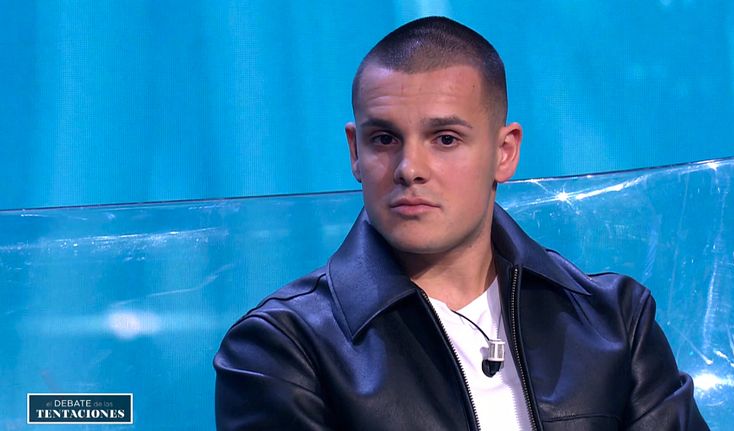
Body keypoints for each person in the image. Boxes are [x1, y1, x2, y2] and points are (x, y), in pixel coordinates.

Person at [214, 16, 708, 430]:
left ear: (504, 152)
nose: (410, 168)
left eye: (445, 139)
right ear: (355, 152)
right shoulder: (281, 348)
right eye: (384, 139)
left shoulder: (615, 321)